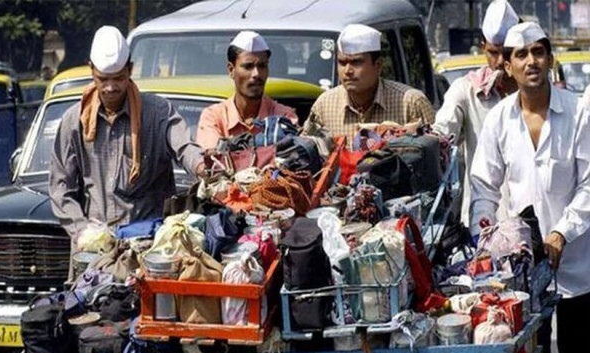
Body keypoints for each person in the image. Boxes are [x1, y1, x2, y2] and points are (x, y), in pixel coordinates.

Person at [470, 22, 590, 353]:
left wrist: (561, 232)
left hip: (580, 268)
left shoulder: (579, 112)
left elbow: (589, 183)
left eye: (538, 52)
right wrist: (485, 243)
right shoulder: (499, 120)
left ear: (550, 60)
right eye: (521, 54)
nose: (531, 61)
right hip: (524, 272)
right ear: (507, 66)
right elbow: (483, 187)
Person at [49, 26, 204, 278]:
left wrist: (202, 166)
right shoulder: (73, 121)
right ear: (92, 71)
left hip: (148, 251)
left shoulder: (157, 113)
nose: (110, 87)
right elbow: (60, 187)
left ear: (130, 70)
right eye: (103, 79)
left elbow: (185, 147)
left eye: (118, 78)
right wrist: (82, 231)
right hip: (94, 255)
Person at [434, 0, 519, 227]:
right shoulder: (466, 91)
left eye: (507, 53)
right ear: (483, 47)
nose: (501, 62)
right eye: (493, 53)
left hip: (534, 219)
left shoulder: (537, 94)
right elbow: (442, 133)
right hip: (484, 222)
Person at [304, 24, 435, 148]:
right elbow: (306, 153)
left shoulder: (411, 103)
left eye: (356, 62)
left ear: (378, 66)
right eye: (342, 63)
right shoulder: (324, 105)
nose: (347, 71)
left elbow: (438, 156)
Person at [196, 31, 298, 149]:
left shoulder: (284, 117)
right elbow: (214, 161)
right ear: (231, 70)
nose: (256, 74)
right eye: (248, 67)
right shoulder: (214, 117)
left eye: (262, 66)